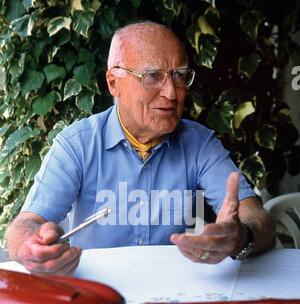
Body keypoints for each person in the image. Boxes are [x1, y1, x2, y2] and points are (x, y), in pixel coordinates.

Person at [5, 21, 275, 275]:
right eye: (153, 76)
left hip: (173, 291)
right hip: (98, 289)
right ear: (114, 83)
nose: (172, 92)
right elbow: (25, 225)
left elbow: (257, 217)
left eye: (179, 75)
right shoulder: (78, 144)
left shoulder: (199, 143)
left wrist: (241, 236)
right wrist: (32, 246)